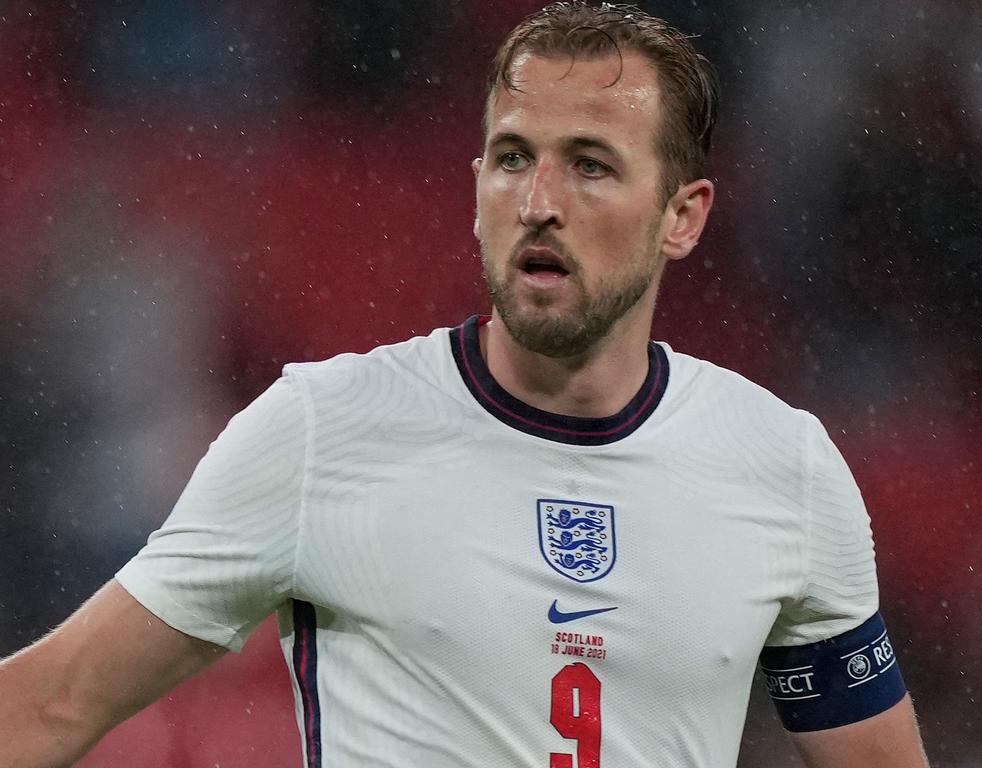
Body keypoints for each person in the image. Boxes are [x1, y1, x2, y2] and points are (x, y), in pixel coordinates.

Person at [0, 3, 930, 766]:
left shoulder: (785, 469)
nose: (538, 204)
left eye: (592, 166)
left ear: (683, 217)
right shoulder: (324, 430)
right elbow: (50, 704)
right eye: (515, 158)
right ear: (478, 180)